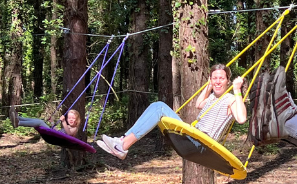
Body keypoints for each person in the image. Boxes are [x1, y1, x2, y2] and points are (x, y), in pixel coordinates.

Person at [97, 64, 248, 160]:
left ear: (228, 80)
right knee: (157, 107)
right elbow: (198, 104)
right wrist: (208, 87)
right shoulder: (212, 98)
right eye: (214, 78)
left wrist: (237, 90)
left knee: (159, 107)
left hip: (201, 142)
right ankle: (122, 142)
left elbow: (241, 118)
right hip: (193, 137)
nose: (217, 81)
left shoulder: (230, 99)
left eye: (221, 78)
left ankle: (122, 145)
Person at [10, 106, 83, 137]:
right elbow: (58, 130)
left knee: (40, 123)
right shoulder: (68, 126)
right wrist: (52, 122)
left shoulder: (75, 129)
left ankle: (19, 123)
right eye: (69, 118)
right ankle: (17, 117)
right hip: (54, 134)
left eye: (73, 118)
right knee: (39, 120)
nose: (70, 119)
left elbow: (69, 133)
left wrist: (63, 122)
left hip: (54, 137)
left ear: (77, 120)